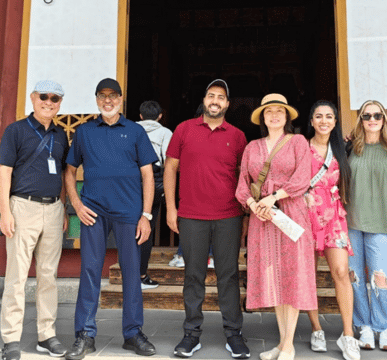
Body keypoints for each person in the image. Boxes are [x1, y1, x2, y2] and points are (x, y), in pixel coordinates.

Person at [64, 78, 159, 359]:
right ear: (96, 99)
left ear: (121, 99)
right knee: (90, 271)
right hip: (93, 211)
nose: (108, 100)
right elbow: (69, 171)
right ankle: (85, 334)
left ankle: (133, 333)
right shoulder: (84, 132)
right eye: (102, 95)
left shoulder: (135, 131)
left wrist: (146, 215)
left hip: (129, 211)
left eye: (113, 95)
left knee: (131, 272)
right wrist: (77, 204)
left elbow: (147, 175)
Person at [164, 79, 250, 359]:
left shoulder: (237, 136)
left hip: (229, 215)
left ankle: (234, 334)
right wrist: (171, 209)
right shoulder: (184, 129)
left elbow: (242, 176)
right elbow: (171, 168)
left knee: (228, 275)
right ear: (204, 100)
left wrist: (245, 214)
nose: (215, 100)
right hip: (191, 215)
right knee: (193, 275)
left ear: (227, 103)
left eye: (221, 97)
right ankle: (191, 334)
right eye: (211, 95)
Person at [235, 94, 316, 360]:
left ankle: (289, 345)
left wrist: (273, 198)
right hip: (263, 218)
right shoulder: (252, 146)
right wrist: (252, 203)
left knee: (291, 276)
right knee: (275, 279)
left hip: (290, 213)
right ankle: (282, 344)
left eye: (279, 111)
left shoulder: (298, 142)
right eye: (268, 111)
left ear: (287, 116)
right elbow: (242, 183)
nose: (274, 115)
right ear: (262, 117)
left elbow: (302, 178)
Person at [0, 80, 69, 360]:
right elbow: (4, 172)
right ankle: (11, 339)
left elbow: (62, 173)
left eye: (55, 98)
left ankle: (46, 335)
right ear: (33, 98)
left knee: (48, 276)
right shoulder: (16, 130)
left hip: (52, 210)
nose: (49, 102)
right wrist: (5, 211)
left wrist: (62, 207)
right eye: (44, 97)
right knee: (17, 276)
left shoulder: (61, 135)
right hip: (22, 207)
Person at [344, 100, 387, 351]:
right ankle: (364, 326)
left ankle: (384, 327)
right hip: (353, 219)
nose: (372, 119)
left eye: (377, 115)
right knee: (355, 276)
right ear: (360, 119)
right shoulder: (349, 147)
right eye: (366, 115)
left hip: (383, 219)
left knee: (381, 275)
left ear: (384, 119)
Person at [304, 100, 361, 360]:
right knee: (309, 274)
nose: (324, 121)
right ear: (311, 121)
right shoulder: (301, 147)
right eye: (319, 116)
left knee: (340, 271)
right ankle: (316, 328)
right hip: (306, 215)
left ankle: (348, 334)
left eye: (329, 116)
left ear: (336, 122)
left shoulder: (342, 148)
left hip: (334, 214)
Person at [137, 100, 173, 289]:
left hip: (131, 184)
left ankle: (130, 274)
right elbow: (169, 162)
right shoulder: (166, 133)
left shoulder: (131, 129)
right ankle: (141, 275)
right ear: (160, 116)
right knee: (147, 229)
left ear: (140, 116)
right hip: (156, 183)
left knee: (129, 230)